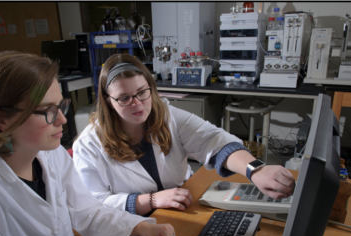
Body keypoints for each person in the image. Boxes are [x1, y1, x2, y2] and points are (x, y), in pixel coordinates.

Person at [0, 51, 176, 236]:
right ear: (0, 119)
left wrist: (140, 227)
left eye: (61, 105)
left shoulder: (51, 155)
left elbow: (86, 212)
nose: (62, 119)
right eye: (48, 110)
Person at [73, 53, 295, 216]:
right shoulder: (89, 144)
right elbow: (95, 204)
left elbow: (214, 140)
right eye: (124, 98)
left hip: (180, 203)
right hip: (133, 220)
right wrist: (151, 200)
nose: (137, 103)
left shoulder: (167, 115)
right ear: (108, 101)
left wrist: (255, 170)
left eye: (142, 92)